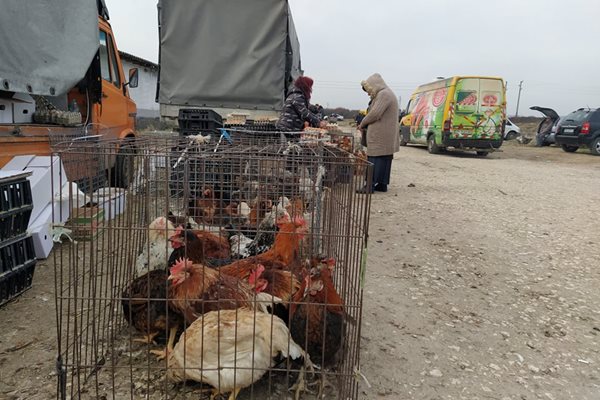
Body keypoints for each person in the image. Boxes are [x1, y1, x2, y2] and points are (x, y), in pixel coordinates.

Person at [357, 73, 399, 193]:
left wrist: (362, 123)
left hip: (381, 134)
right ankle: (382, 184)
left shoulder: (383, 94)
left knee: (374, 157)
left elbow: (375, 114)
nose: (369, 94)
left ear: (373, 86)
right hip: (387, 133)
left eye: (369, 91)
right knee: (385, 158)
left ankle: (369, 185)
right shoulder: (387, 93)